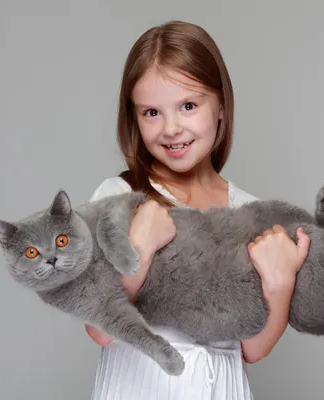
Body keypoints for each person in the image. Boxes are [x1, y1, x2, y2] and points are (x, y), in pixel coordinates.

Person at [85, 20, 310, 400]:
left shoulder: (249, 212)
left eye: (188, 106)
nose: (171, 128)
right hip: (140, 385)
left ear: (220, 105)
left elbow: (252, 349)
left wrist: (281, 285)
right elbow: (100, 330)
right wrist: (138, 249)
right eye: (151, 112)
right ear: (134, 118)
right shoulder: (118, 198)